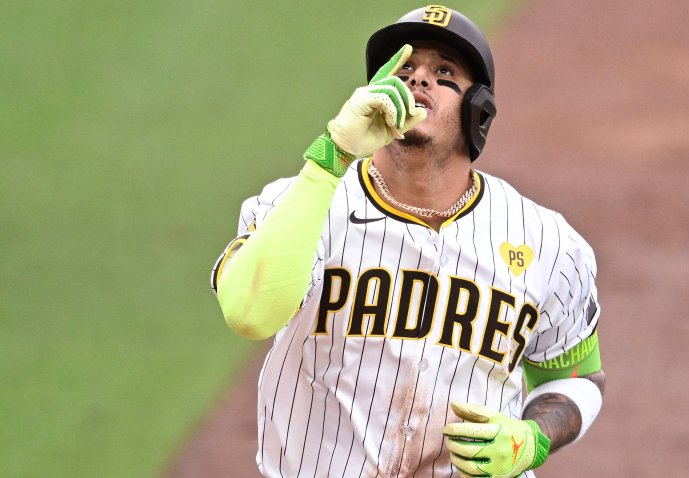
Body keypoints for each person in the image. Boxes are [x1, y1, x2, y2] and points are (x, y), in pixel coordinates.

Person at [211, 5, 605, 477]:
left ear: (478, 108)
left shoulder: (546, 241)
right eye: (403, 68)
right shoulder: (300, 203)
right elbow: (249, 315)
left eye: (444, 72)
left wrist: (534, 438)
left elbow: (578, 378)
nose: (419, 79)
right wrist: (330, 158)